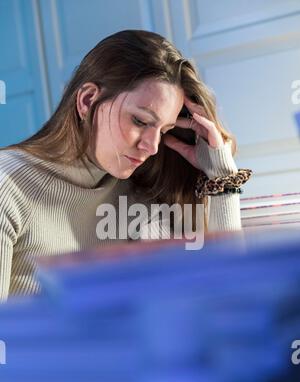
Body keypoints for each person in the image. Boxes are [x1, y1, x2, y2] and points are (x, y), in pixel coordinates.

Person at [0, 29, 251, 301]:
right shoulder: (8, 188)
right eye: (140, 121)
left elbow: (229, 298)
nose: (152, 146)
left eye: (164, 129)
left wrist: (222, 176)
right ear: (87, 101)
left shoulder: (141, 190)